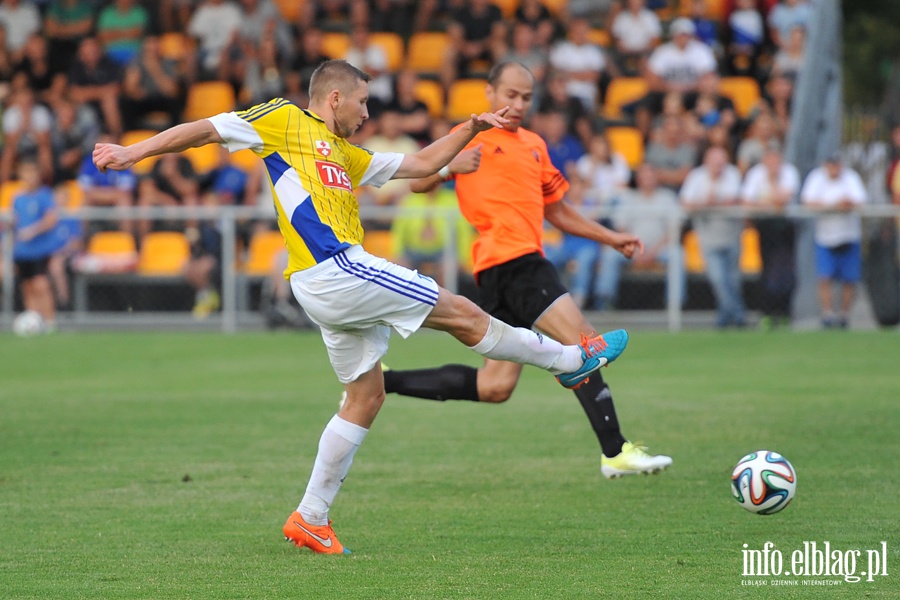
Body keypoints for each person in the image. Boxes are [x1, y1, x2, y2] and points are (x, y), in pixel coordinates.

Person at [92, 59, 626, 554]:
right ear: (334, 98)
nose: (368, 113)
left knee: (365, 396)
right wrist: (132, 152)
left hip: (324, 285)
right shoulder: (281, 120)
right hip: (334, 268)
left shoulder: (344, 153)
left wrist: (470, 127)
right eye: (363, 103)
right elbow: (205, 129)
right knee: (461, 312)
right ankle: (568, 360)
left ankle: (310, 516)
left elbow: (418, 165)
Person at [379, 62, 672, 480]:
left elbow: (559, 211)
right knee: (584, 346)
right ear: (489, 93)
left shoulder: (535, 144)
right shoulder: (470, 135)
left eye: (526, 98)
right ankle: (616, 451)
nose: (518, 104)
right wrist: (449, 168)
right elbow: (417, 180)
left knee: (495, 387)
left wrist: (609, 237)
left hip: (505, 271)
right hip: (514, 262)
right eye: (510, 95)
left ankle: (384, 382)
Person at [680, 146, 746, 328]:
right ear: (707, 162)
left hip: (731, 234)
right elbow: (686, 202)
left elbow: (735, 199)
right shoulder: (696, 176)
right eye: (716, 163)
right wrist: (706, 203)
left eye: (722, 163)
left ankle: (728, 316)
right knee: (717, 278)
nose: (719, 167)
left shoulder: (732, 174)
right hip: (708, 236)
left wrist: (709, 203)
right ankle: (736, 315)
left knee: (733, 279)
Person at [800, 152, 867, 328]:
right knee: (825, 276)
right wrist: (834, 206)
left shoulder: (850, 177)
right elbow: (808, 202)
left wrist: (842, 205)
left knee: (849, 278)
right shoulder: (816, 177)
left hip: (848, 235)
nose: (834, 168)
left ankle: (844, 315)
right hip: (825, 236)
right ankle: (827, 314)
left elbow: (859, 201)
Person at [740, 140, 800, 329]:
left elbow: (783, 199)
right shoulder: (756, 174)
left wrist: (772, 185)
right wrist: (769, 202)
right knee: (767, 271)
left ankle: (784, 312)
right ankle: (767, 312)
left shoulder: (789, 172)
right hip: (765, 226)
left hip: (785, 227)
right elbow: (747, 202)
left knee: (787, 270)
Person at [12, 158, 59, 331]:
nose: (29, 177)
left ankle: (50, 321)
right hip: (22, 251)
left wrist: (33, 230)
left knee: (41, 284)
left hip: (39, 249)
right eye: (26, 173)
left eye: (32, 173)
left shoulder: (44, 195)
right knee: (27, 286)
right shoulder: (18, 198)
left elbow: (51, 219)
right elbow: (16, 220)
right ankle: (34, 320)